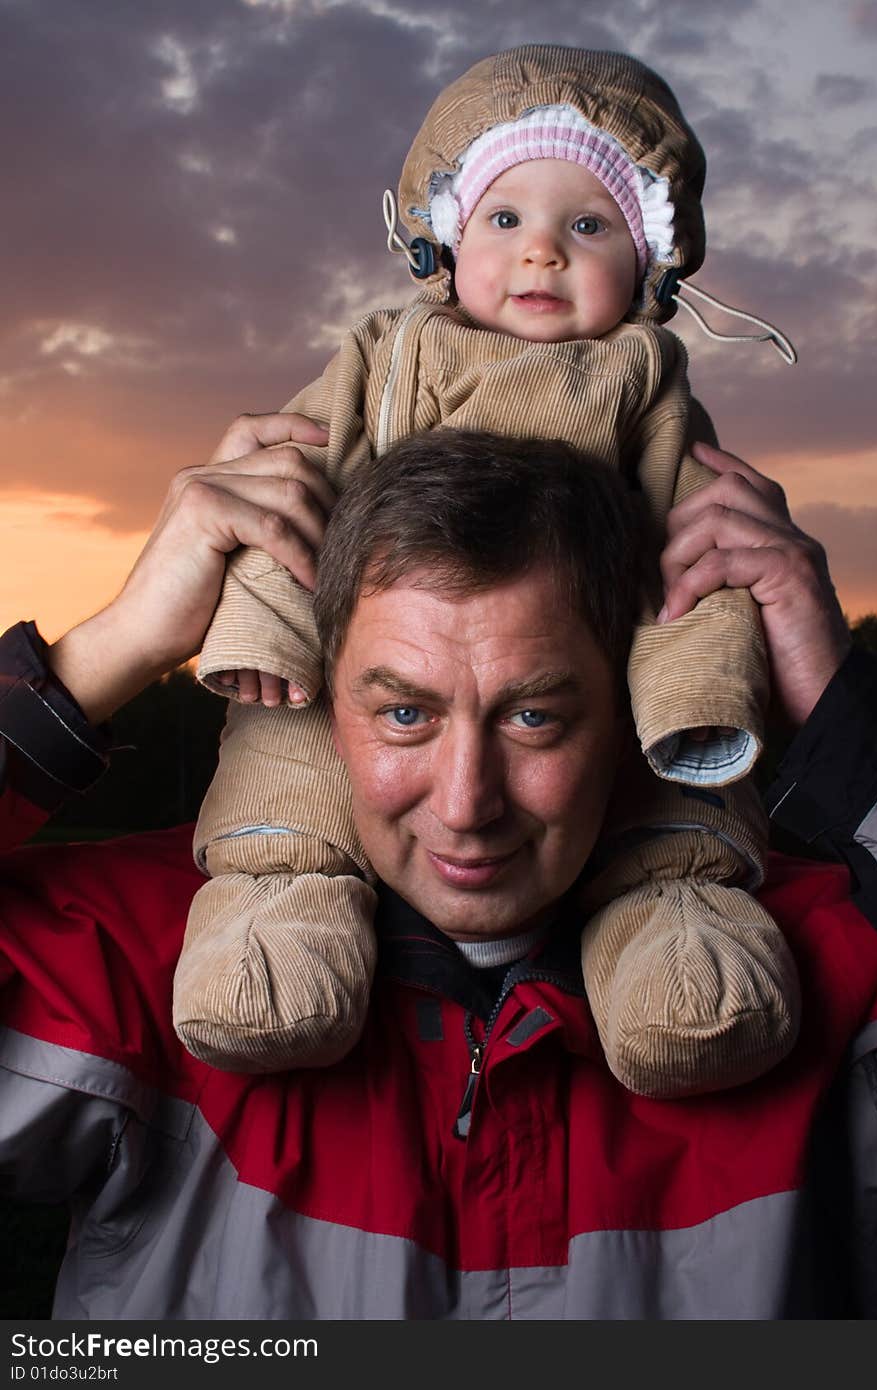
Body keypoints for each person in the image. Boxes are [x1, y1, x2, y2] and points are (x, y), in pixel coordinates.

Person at [1, 422, 877, 1320]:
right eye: (405, 714)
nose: (466, 803)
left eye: (534, 717)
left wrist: (831, 702)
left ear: (625, 708)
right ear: (321, 701)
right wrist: (114, 646)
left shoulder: (807, 966)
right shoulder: (144, 962)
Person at [177, 45, 805, 1095]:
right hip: (328, 664)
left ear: (653, 260)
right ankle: (279, 902)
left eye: (589, 226)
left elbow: (698, 567)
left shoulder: (646, 383)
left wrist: (700, 707)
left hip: (613, 649)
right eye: (505, 220)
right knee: (280, 754)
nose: (542, 255)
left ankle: (670, 920)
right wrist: (254, 640)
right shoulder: (384, 353)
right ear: (441, 238)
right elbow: (286, 492)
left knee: (669, 810)